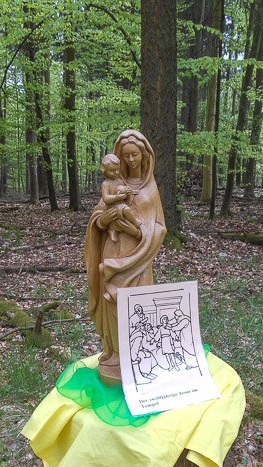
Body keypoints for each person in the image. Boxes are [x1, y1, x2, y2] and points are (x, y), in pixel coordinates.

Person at [85, 130, 167, 381]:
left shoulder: (150, 188)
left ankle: (139, 355)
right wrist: (104, 220)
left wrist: (139, 233)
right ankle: (117, 355)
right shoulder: (114, 184)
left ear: (144, 155)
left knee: (138, 306)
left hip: (140, 259)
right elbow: (97, 217)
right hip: (113, 252)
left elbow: (160, 227)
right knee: (114, 302)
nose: (131, 160)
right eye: (126, 156)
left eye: (135, 155)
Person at [100, 154, 142, 245]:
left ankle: (133, 224)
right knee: (124, 211)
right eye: (112, 170)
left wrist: (126, 193)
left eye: (117, 170)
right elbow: (105, 198)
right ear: (104, 171)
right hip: (112, 207)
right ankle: (114, 229)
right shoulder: (105, 184)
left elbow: (125, 195)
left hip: (121, 205)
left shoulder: (120, 181)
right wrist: (117, 197)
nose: (116, 172)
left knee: (126, 211)